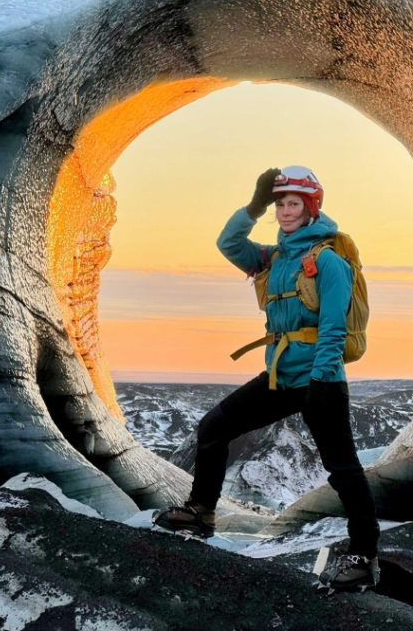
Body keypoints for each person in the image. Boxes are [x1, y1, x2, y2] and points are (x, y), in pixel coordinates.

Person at [153, 166, 380, 592]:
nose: (285, 211)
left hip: (320, 377)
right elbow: (229, 244)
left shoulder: (328, 260)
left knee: (342, 467)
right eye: (279, 203)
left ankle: (364, 557)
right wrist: (253, 207)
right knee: (214, 427)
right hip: (280, 375)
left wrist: (322, 381)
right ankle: (201, 511)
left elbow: (332, 327)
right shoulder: (274, 258)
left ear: (312, 208)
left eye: (293, 203)